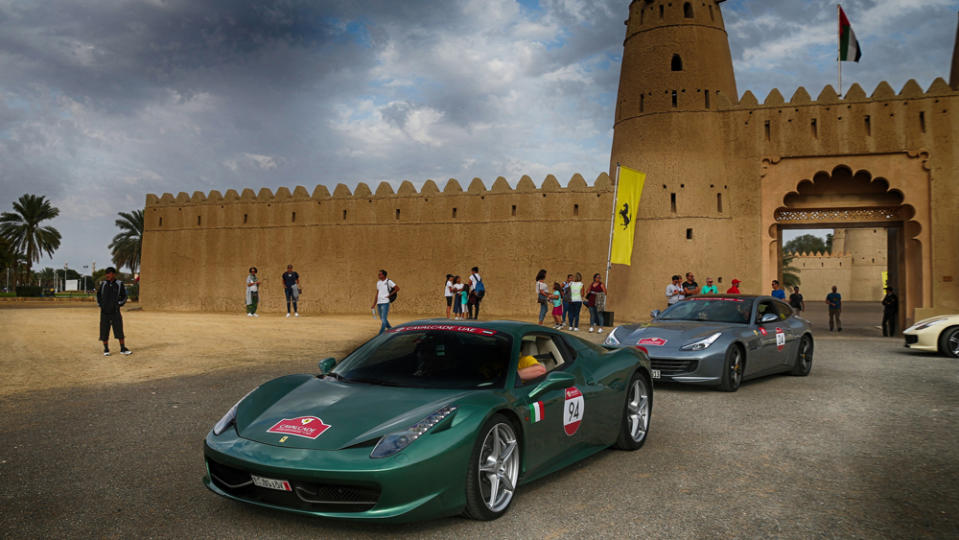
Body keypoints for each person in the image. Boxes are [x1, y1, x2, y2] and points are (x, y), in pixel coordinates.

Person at [97, 267, 131, 356]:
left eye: (109, 273)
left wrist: (118, 304)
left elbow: (124, 296)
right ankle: (106, 349)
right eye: (106, 273)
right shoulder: (103, 284)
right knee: (104, 330)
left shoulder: (119, 284)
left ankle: (123, 348)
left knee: (119, 330)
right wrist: (101, 305)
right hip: (104, 312)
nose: (107, 275)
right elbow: (98, 295)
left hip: (115, 312)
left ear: (113, 274)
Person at [371, 269, 398, 334]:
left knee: (383, 319)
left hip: (385, 302)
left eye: (380, 274)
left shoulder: (389, 281)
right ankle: (391, 329)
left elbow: (397, 288)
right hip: (379, 303)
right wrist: (374, 304)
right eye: (378, 274)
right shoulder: (378, 283)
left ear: (383, 275)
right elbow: (377, 293)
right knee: (382, 318)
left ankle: (381, 333)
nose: (378, 275)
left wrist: (389, 295)